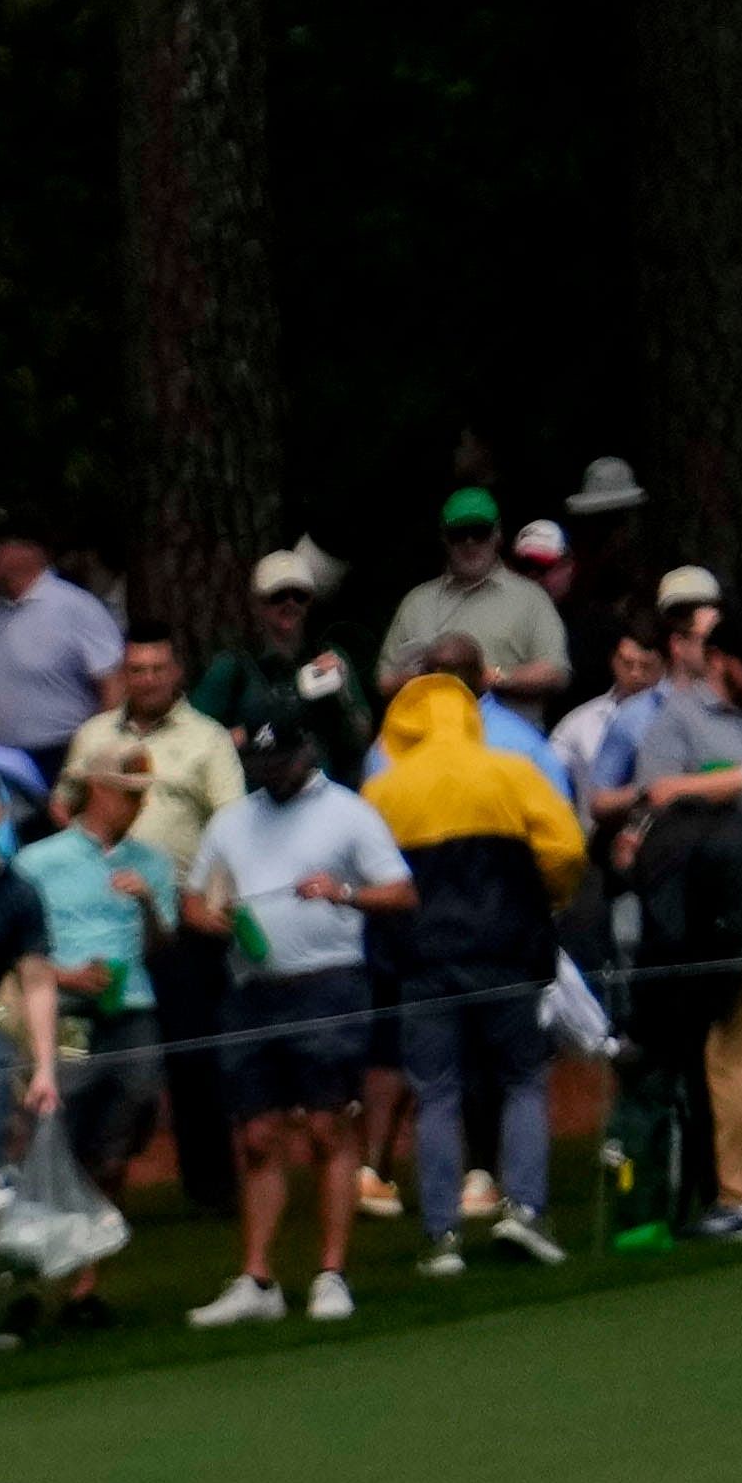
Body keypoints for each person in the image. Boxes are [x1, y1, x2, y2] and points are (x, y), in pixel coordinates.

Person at [180, 713, 414, 1316]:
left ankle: (331, 1273)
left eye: (278, 763)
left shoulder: (348, 812)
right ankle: (257, 1280)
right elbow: (195, 898)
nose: (270, 776)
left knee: (325, 1126)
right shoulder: (233, 819)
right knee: (256, 1135)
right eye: (259, 767)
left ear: (304, 754)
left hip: (329, 985)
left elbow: (399, 891)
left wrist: (341, 892)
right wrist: (211, 917)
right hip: (252, 989)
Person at [364, 665, 590, 1276]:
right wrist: (544, 897)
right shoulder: (511, 772)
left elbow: (369, 878)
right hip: (508, 951)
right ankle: (525, 1210)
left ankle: (442, 1238)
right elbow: (567, 850)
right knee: (522, 1079)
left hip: (424, 962)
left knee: (435, 1091)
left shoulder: (385, 791)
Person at [379, 490, 568, 707]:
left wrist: (493, 677)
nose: (469, 543)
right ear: (443, 538)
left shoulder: (531, 598)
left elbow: (556, 673)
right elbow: (384, 682)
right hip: (430, 733)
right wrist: (427, 679)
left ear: (497, 535)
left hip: (503, 737)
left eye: (479, 532)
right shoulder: (417, 602)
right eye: (459, 534)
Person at [0, 523, 126, 758]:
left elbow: (113, 683)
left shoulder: (77, 606)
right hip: (5, 757)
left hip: (67, 751)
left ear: (32, 551)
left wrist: (100, 749)